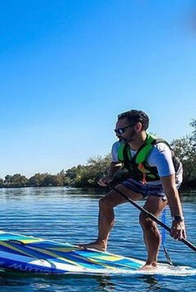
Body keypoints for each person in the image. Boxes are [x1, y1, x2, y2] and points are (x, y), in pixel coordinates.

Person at [80, 109, 187, 269]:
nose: (117, 134)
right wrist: (110, 176)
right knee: (105, 203)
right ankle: (101, 243)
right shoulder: (118, 147)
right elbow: (116, 162)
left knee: (147, 218)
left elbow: (170, 188)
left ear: (138, 127)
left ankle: (152, 262)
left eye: (121, 130)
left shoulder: (158, 152)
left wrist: (178, 220)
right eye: (116, 130)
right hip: (141, 178)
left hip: (163, 182)